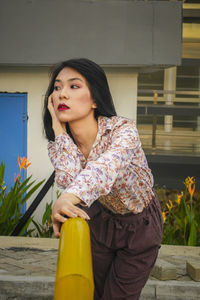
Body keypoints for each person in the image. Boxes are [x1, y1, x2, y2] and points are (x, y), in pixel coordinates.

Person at [43, 58, 163, 300]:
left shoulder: (123, 130)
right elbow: (68, 179)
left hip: (140, 225)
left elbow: (106, 167)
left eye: (74, 86)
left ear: (95, 99)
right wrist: (57, 129)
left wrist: (67, 198)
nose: (62, 95)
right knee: (93, 294)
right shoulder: (61, 145)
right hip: (99, 221)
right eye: (57, 88)